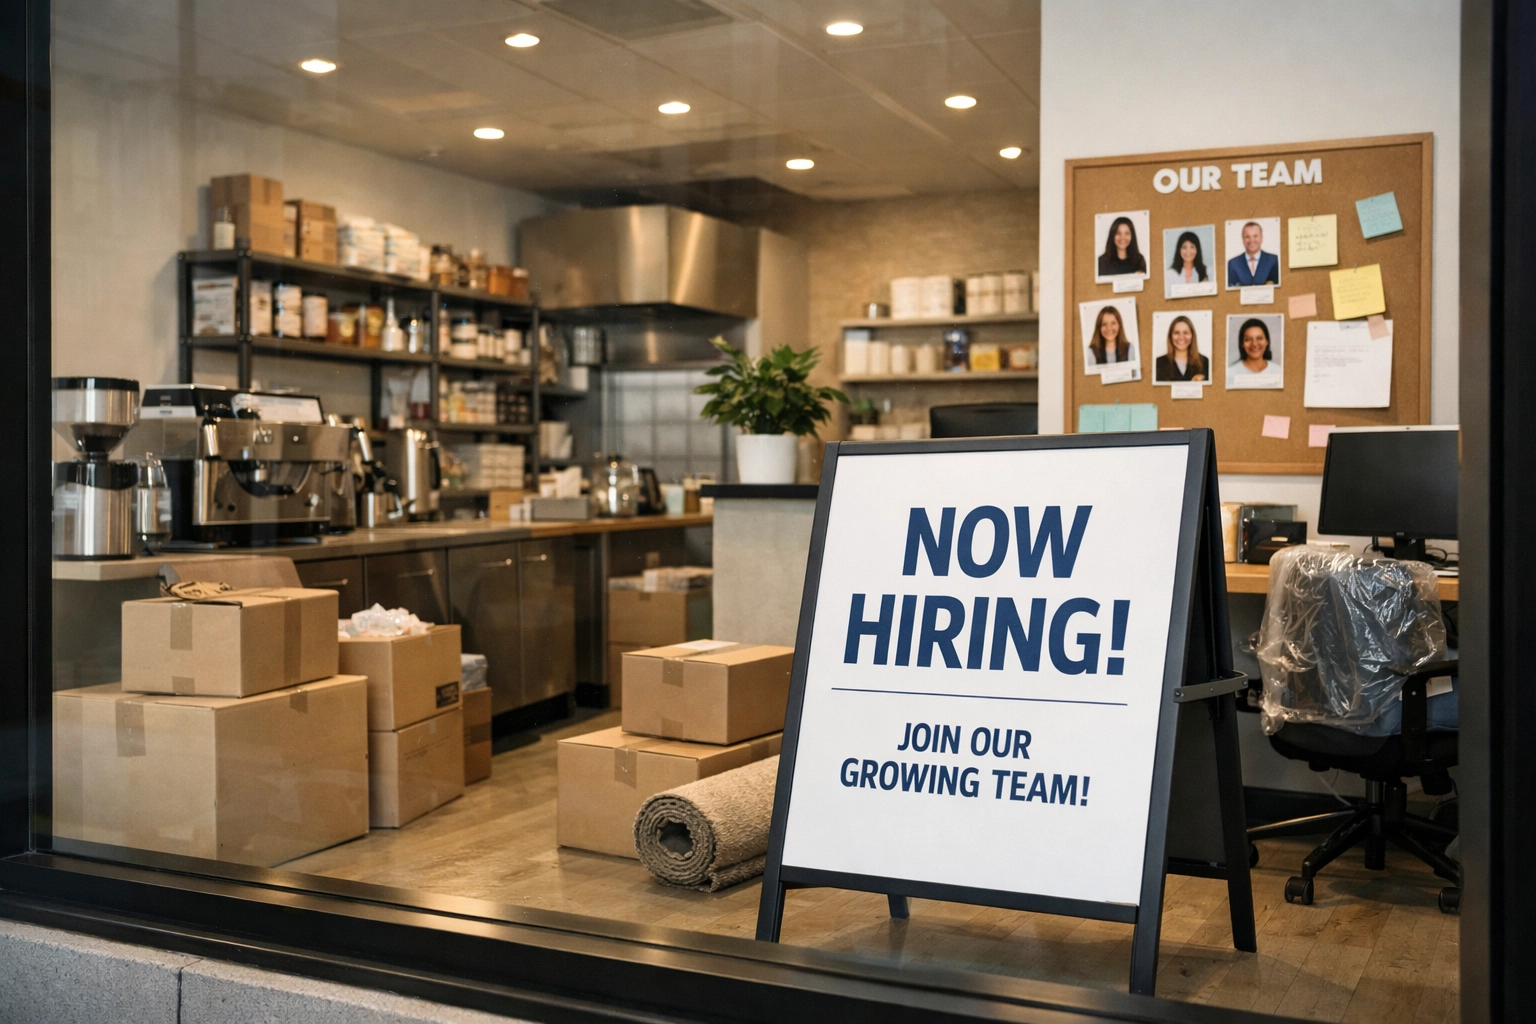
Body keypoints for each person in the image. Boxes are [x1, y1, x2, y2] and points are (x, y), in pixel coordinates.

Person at [1227, 317, 1282, 385]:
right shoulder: (1230, 373)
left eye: (1259, 338)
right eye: (1248, 339)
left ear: (1267, 341)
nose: (1254, 344)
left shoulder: (1279, 371)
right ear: (1242, 344)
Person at [1226, 221, 1279, 286]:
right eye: (1247, 237)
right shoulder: (1233, 264)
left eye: (1255, 236)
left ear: (1261, 238)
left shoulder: (1273, 260)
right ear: (1243, 239)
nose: (1251, 240)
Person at [1154, 315, 1206, 382]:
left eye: (1186, 333)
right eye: (1176, 333)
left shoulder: (1205, 362)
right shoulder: (1158, 363)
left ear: (1192, 336)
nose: (1181, 337)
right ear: (1170, 336)